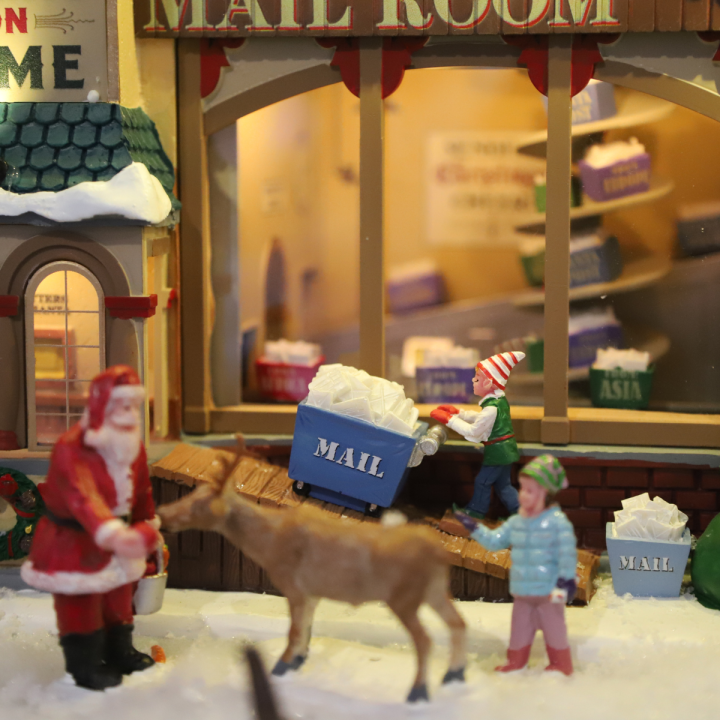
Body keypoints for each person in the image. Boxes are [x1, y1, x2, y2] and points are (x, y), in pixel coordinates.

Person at [21, 365, 162, 690]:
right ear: (102, 406)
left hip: (118, 538)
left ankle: (119, 650)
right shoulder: (72, 447)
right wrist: (115, 534)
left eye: (133, 406)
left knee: (119, 596)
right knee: (80, 602)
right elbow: (82, 496)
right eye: (122, 406)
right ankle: (84, 665)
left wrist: (147, 525)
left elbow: (141, 491)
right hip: (74, 541)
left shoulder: (131, 445)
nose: (130, 414)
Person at [456, 454, 577, 675]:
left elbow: (567, 553)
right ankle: (516, 661)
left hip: (549, 591)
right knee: (520, 628)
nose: (522, 495)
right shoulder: (516, 522)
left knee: (554, 629)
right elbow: (494, 542)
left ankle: (561, 664)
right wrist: (474, 528)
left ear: (545, 493)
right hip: (523, 591)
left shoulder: (557, 523)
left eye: (529, 490)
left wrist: (566, 580)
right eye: (522, 488)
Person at [431, 351, 525, 519]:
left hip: (497, 453)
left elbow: (474, 432)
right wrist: (459, 413)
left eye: (477, 378)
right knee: (503, 486)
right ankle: (522, 515)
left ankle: (475, 513)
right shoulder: (497, 402)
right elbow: (481, 419)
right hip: (505, 450)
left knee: (482, 481)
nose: (473, 380)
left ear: (489, 383)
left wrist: (449, 420)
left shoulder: (491, 408)